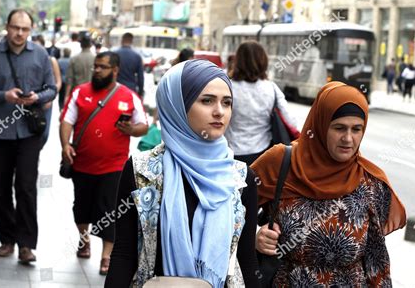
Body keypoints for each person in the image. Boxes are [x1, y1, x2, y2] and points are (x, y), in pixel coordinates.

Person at [105, 60, 260, 287]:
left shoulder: (240, 178)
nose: (219, 112)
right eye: (207, 101)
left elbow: (246, 261)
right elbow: (124, 254)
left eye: (227, 103)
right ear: (177, 104)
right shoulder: (142, 171)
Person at [253, 81, 406, 287]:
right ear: (321, 124)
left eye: (357, 129)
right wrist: (256, 238)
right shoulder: (280, 162)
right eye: (339, 128)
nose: (348, 139)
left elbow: (376, 262)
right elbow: (230, 214)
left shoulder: (370, 183)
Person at [0, 9, 56, 263]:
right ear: (7, 27)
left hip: (29, 132)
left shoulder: (40, 54)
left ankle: (26, 245)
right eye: (15, 28)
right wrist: (3, 96)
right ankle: (6, 239)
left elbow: (52, 88)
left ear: (30, 31)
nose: (19, 33)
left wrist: (37, 98)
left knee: (26, 187)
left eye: (25, 29)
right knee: (1, 186)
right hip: (0, 131)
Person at [60, 51, 148, 275]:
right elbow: (67, 121)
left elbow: (143, 125)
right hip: (82, 164)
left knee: (110, 210)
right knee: (81, 207)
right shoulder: (80, 92)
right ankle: (84, 239)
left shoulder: (128, 96)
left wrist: (131, 129)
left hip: (114, 166)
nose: (97, 70)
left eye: (103, 67)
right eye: (96, 66)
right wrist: (65, 145)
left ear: (115, 70)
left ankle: (106, 256)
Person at [224, 41, 297, 165]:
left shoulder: (228, 87)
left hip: (231, 152)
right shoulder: (272, 88)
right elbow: (291, 122)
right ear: (263, 61)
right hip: (263, 155)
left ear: (238, 61)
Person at [32, 35, 62, 148]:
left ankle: (36, 151)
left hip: (46, 101)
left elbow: (58, 82)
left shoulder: (51, 60)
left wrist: (50, 96)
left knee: (44, 133)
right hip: (31, 100)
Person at [64, 35, 95, 106]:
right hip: (92, 92)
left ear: (81, 45)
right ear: (90, 45)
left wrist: (67, 95)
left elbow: (69, 79)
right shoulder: (96, 58)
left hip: (77, 92)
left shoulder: (74, 59)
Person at [116, 32, 144, 97]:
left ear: (122, 40)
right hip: (130, 89)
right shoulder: (137, 57)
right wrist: (140, 92)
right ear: (131, 41)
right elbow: (140, 77)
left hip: (116, 88)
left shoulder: (115, 54)